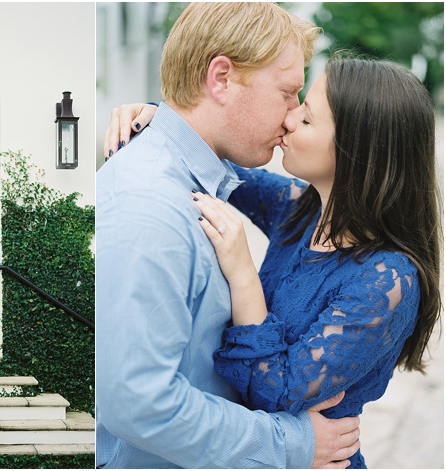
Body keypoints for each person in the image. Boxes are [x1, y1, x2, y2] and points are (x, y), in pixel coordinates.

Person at [107, 58, 442, 468]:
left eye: (307, 117)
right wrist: (155, 115)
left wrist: (243, 275)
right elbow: (207, 154)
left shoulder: (387, 280)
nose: (288, 117)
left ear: (357, 150)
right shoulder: (300, 211)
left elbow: (275, 390)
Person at [96, 3, 360, 469]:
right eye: (287, 92)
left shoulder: (199, 183)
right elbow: (138, 403)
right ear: (220, 78)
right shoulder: (151, 207)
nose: (292, 116)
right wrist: (290, 443)